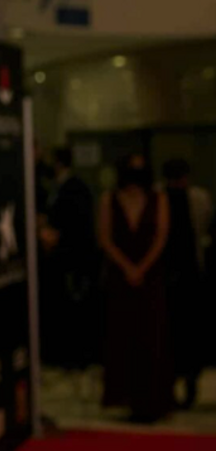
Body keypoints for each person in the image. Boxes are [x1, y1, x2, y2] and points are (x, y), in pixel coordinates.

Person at [98, 153, 172, 423]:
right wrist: (127, 267)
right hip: (121, 277)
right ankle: (125, 395)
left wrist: (142, 267)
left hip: (150, 278)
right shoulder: (110, 199)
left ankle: (153, 398)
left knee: (152, 335)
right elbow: (105, 237)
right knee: (122, 333)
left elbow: (162, 236)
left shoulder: (158, 199)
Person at [39, 147, 98, 375]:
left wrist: (55, 235)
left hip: (74, 261)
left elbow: (77, 226)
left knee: (75, 311)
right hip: (66, 260)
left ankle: (76, 357)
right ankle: (68, 355)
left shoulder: (74, 188)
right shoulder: (61, 188)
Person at [161, 158, 213, 408]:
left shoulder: (198, 198)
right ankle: (174, 383)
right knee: (174, 333)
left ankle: (188, 383)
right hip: (169, 274)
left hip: (190, 273)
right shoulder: (161, 198)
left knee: (189, 333)